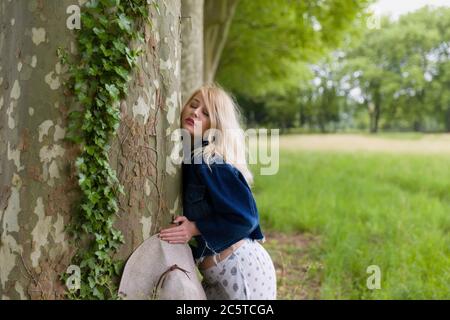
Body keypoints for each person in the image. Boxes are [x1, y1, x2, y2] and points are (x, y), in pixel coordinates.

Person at [159, 83, 276, 300]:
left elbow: (245, 219)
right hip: (218, 274)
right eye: (193, 106)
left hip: (239, 269)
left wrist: (194, 227)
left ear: (217, 125)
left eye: (205, 113)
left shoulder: (210, 161)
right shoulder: (191, 156)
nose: (195, 112)